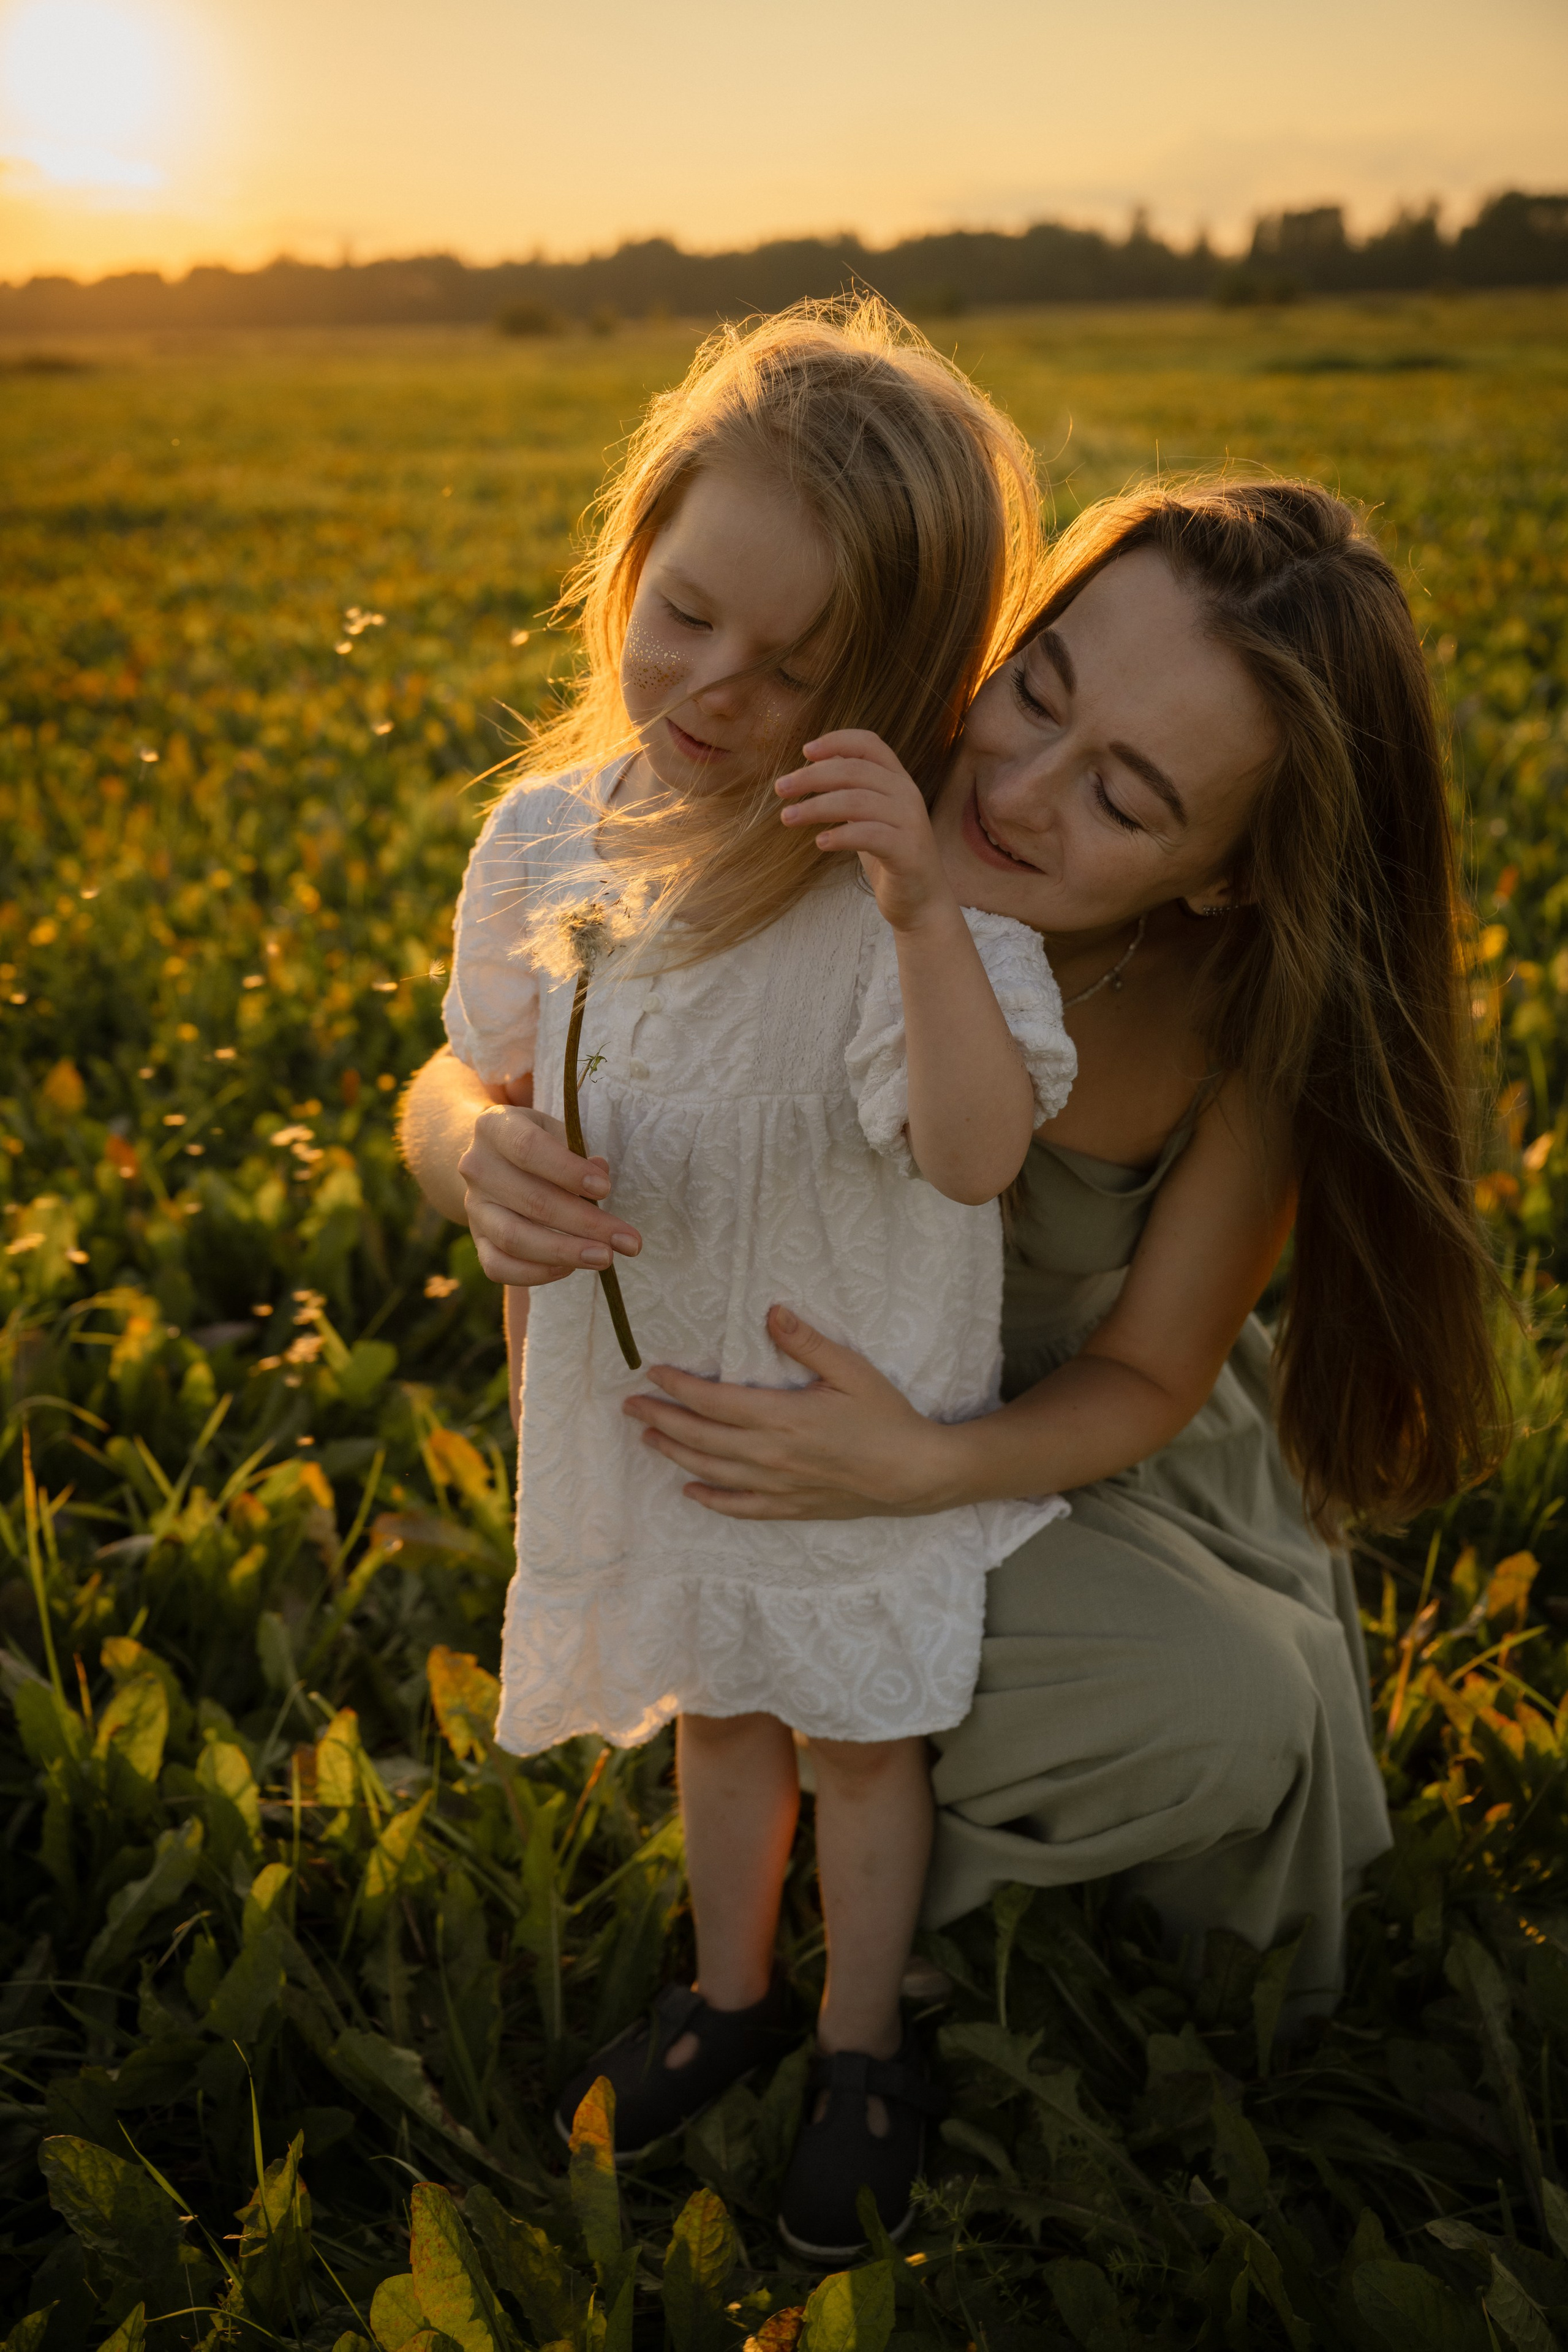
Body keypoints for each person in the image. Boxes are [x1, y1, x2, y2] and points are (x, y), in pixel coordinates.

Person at [404, 476, 1501, 2113]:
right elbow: (499, 1034)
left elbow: (1144, 1380)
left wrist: (915, 1468)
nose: (1018, 788)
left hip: (1057, 1448)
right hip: (783, 1399)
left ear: (1227, 878)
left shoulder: (1236, 1029)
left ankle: (882, 1899)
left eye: (1127, 801)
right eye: (1036, 688)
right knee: (771, 1625)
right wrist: (472, 1145)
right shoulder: (836, 790)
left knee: (1217, 1708)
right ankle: (782, 1886)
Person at [415, 300, 1084, 2260]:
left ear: (896, 683)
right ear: (634, 553)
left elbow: (971, 1152)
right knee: (723, 1715)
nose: (714, 682)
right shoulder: (551, 840)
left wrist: (915, 908)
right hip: (668, 1420)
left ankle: (865, 2039)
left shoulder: (911, 901)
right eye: (686, 610)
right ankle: (731, 1993)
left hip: (843, 1433)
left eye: (797, 666)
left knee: (863, 1746)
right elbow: (484, 1060)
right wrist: (495, 1150)